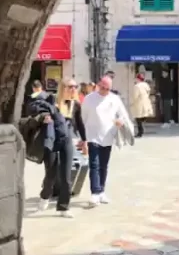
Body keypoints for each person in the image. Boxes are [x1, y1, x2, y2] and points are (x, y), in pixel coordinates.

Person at [79, 75, 136, 206]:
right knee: (94, 164)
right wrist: (86, 135)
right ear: (98, 85)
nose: (104, 91)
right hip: (93, 135)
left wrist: (120, 122)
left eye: (107, 89)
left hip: (108, 135)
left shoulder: (114, 99)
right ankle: (95, 193)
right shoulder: (89, 99)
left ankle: (102, 191)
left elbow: (122, 114)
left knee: (104, 165)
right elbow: (84, 116)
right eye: (102, 88)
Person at [25, 81, 75, 217]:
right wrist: (43, 116)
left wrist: (84, 140)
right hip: (51, 140)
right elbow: (32, 106)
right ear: (62, 88)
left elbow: (78, 123)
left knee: (66, 176)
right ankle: (45, 196)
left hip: (67, 140)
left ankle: (63, 207)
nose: (73, 89)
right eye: (70, 86)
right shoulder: (49, 99)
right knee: (51, 174)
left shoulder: (73, 104)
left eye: (75, 87)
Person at [130, 73, 153, 138]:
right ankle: (141, 130)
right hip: (146, 102)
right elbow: (148, 92)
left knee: (138, 118)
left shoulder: (137, 86)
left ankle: (140, 132)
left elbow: (135, 96)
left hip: (139, 103)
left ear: (138, 79)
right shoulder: (146, 85)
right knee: (143, 116)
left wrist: (132, 102)